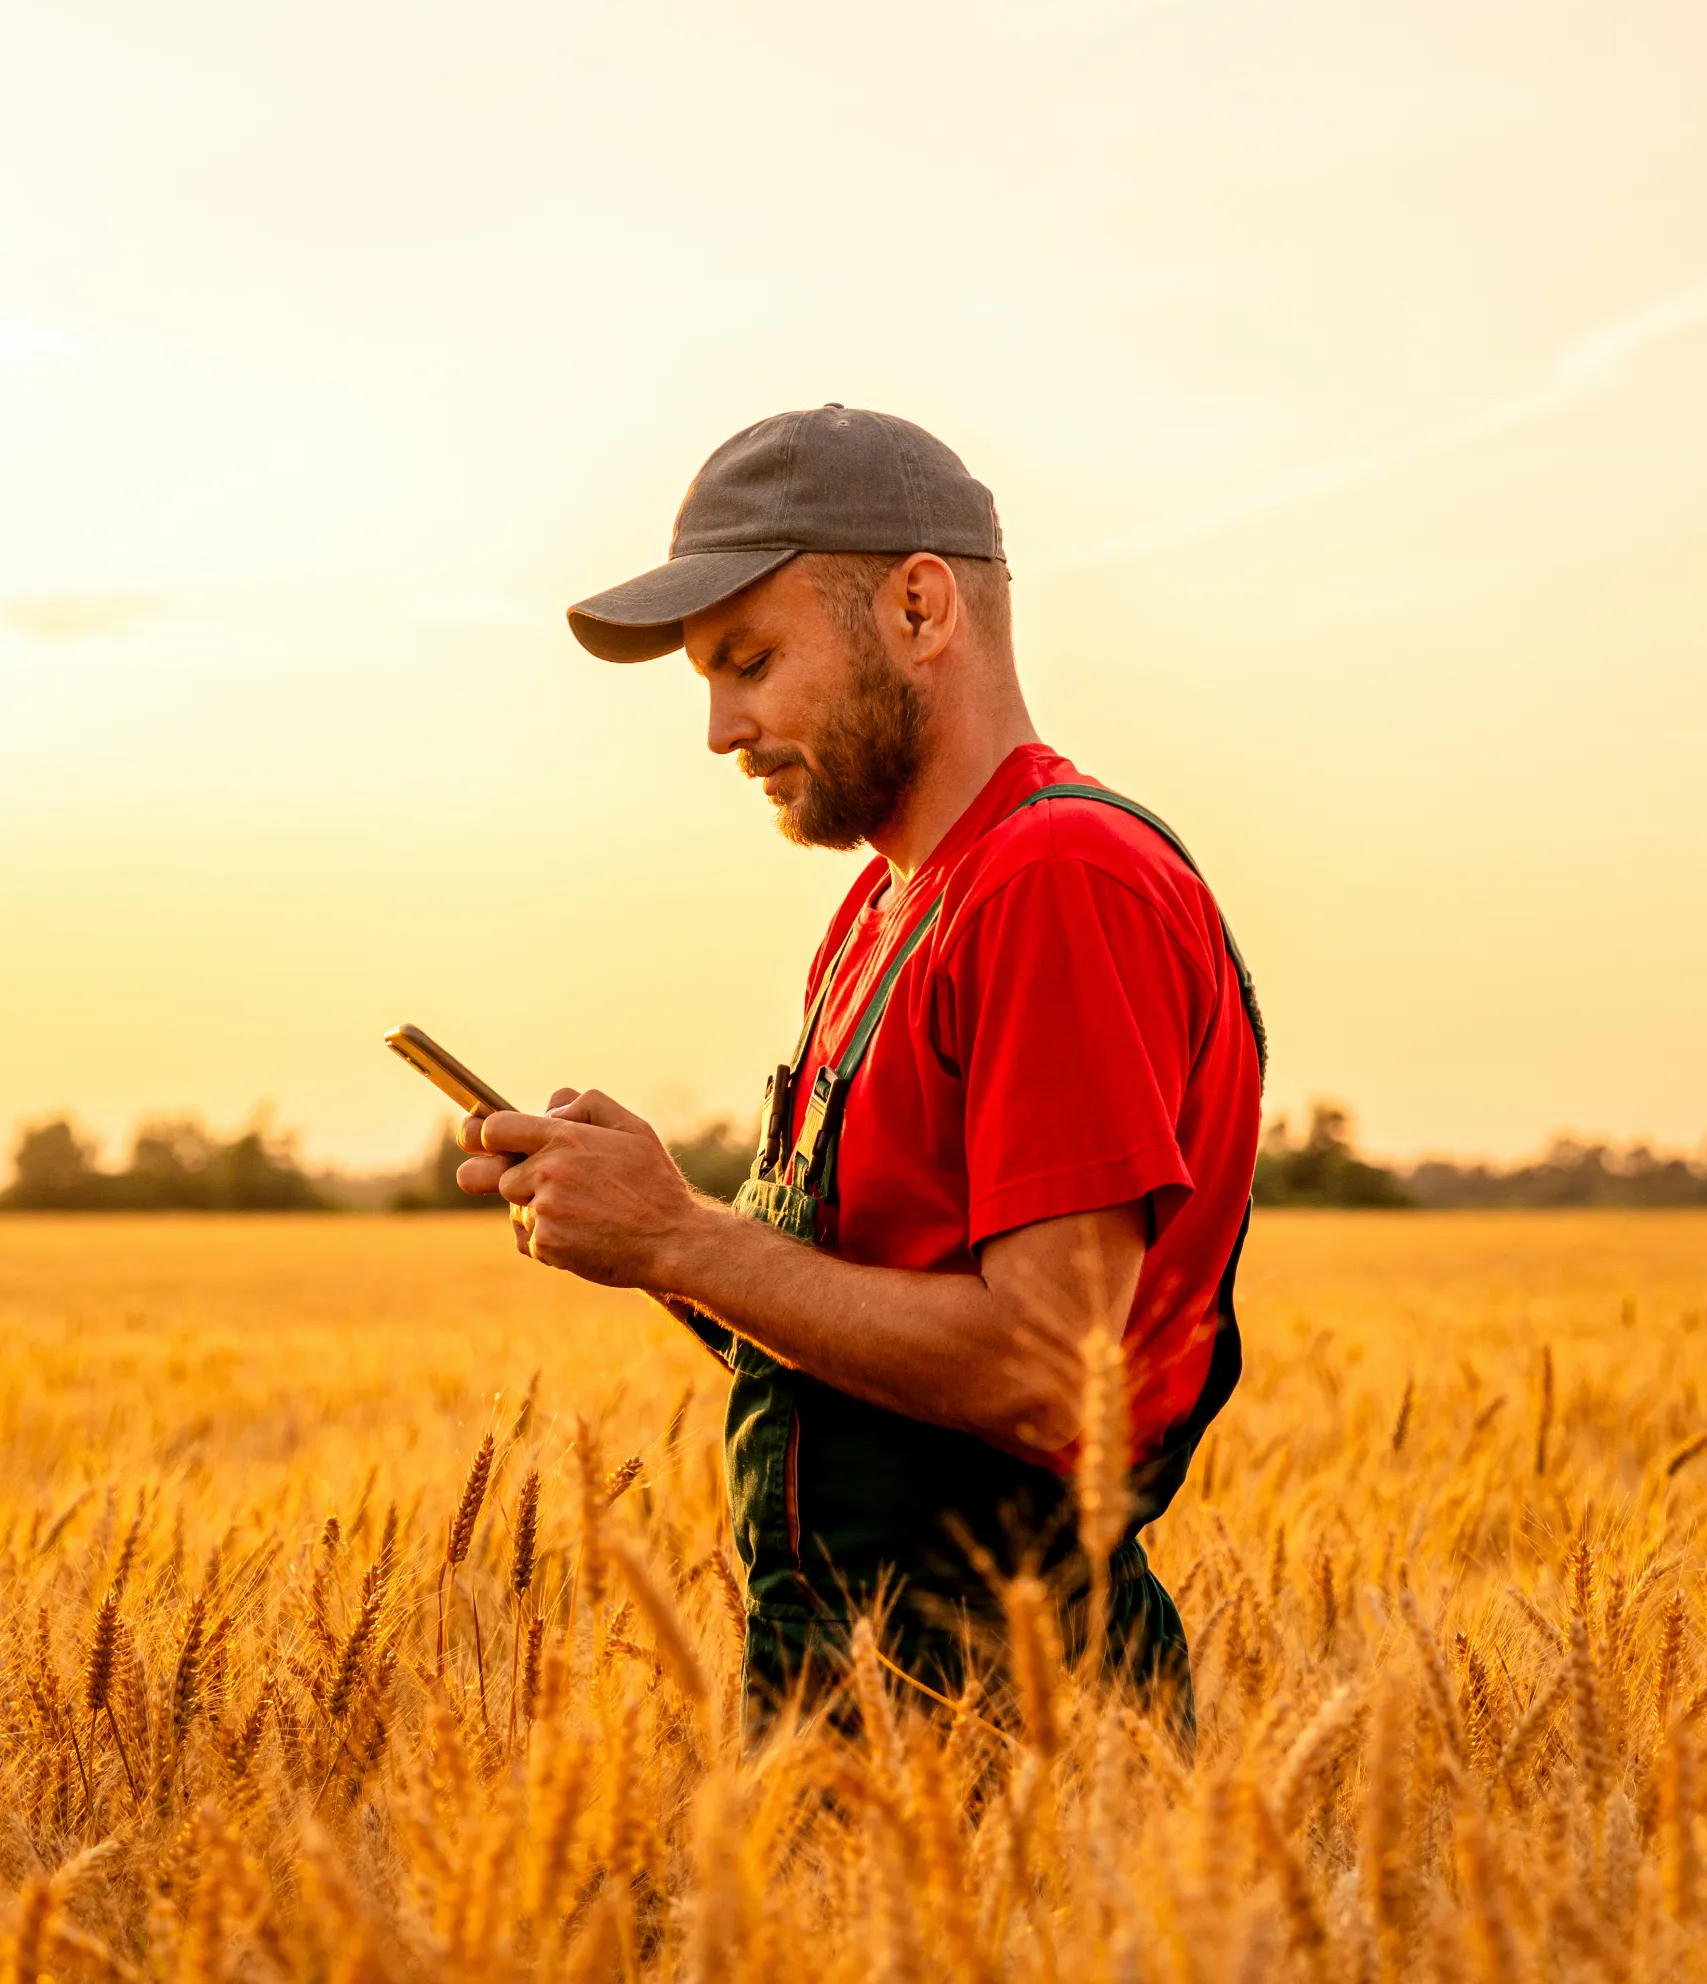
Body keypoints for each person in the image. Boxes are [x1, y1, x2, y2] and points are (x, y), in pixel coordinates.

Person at [457, 404, 1264, 1736]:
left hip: (1008, 1719)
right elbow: (863, 1342)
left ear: (920, 607)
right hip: (866, 1701)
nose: (722, 728)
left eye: (751, 659)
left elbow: (1047, 1366)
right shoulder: (890, 908)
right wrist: (641, 1220)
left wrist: (681, 1240)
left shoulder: (1057, 879)